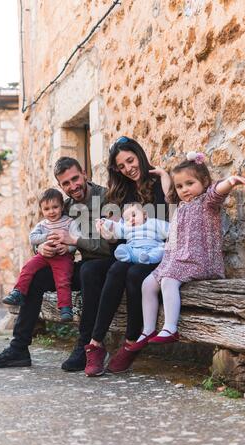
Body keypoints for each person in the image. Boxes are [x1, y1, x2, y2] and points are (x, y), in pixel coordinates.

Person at [0, 157, 113, 370]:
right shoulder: (66, 206)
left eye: (75, 179)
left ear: (85, 174)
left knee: (89, 270)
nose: (73, 186)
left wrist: (75, 241)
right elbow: (46, 232)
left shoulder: (106, 198)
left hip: (108, 266)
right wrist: (41, 248)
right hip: (83, 266)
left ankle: (85, 346)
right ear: (60, 186)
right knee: (36, 277)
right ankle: (18, 349)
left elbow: (112, 245)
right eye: (66, 184)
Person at [125, 151, 245, 356]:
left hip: (201, 261)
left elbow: (217, 192)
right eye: (180, 186)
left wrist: (229, 181)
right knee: (147, 284)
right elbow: (168, 193)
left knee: (168, 281)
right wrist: (164, 175)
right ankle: (148, 329)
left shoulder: (206, 203)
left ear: (204, 182)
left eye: (190, 183)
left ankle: (170, 328)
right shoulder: (180, 207)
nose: (185, 189)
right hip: (178, 261)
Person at [67, 136, 171, 377]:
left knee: (133, 274)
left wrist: (165, 178)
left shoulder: (158, 182)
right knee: (94, 270)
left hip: (154, 250)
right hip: (128, 249)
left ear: (140, 155)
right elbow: (118, 235)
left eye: (131, 161)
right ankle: (94, 343)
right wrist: (110, 232)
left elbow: (173, 218)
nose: (128, 169)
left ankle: (131, 341)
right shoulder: (121, 190)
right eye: (121, 166)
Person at [2, 188, 80, 322]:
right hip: (45, 255)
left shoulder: (69, 222)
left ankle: (65, 308)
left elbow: (77, 239)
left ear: (62, 206)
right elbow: (32, 237)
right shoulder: (42, 225)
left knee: (63, 280)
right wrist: (45, 237)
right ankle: (18, 292)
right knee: (28, 268)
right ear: (42, 210)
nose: (51, 211)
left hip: (62, 257)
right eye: (47, 209)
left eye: (55, 207)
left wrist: (68, 248)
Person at [98, 202, 169, 264]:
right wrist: (104, 222)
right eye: (127, 219)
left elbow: (169, 228)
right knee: (122, 247)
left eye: (134, 215)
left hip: (152, 248)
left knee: (161, 250)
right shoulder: (126, 227)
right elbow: (114, 226)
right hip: (133, 250)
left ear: (144, 214)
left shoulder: (153, 223)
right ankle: (125, 256)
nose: (131, 219)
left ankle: (148, 258)